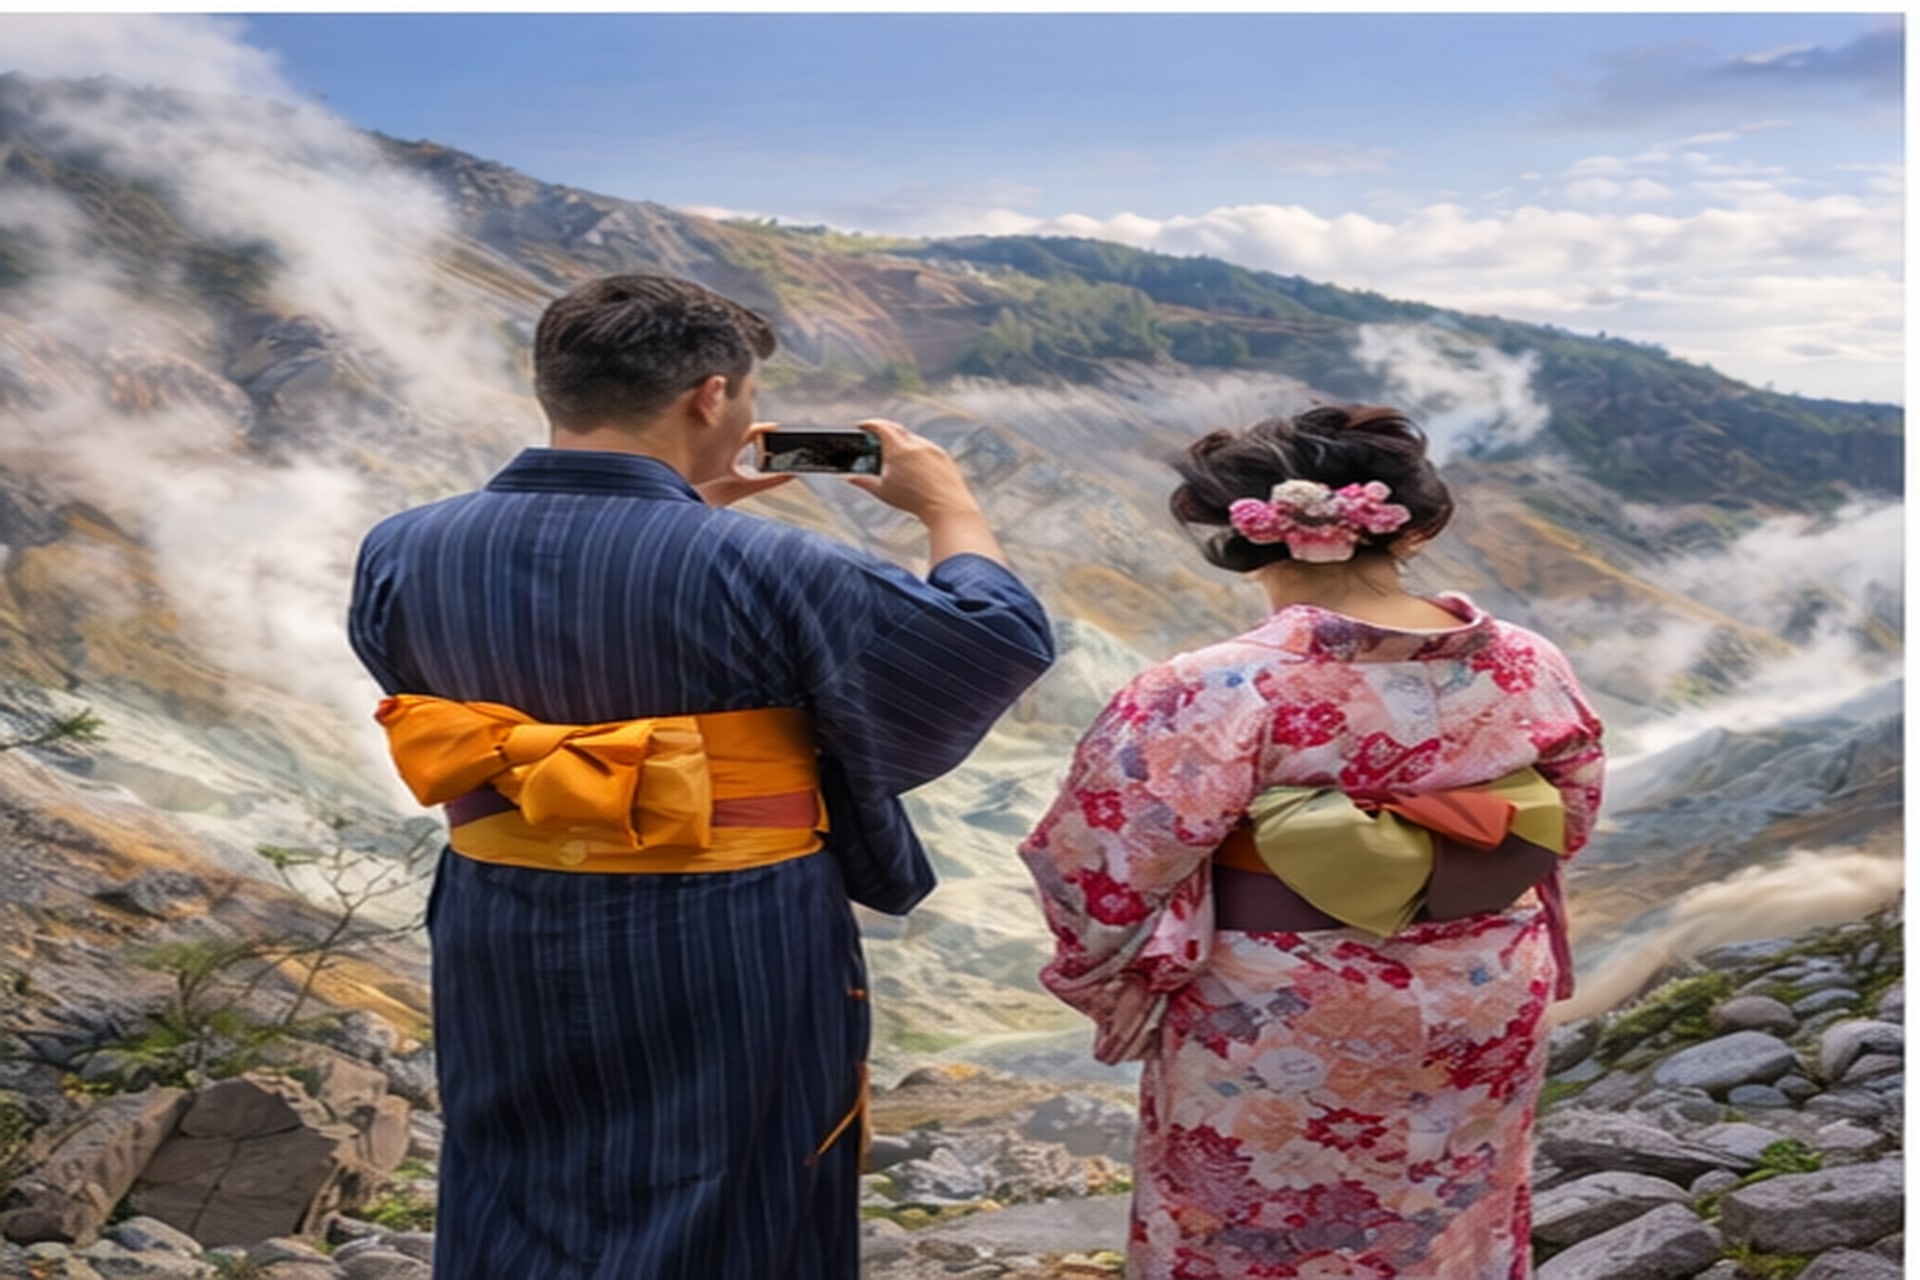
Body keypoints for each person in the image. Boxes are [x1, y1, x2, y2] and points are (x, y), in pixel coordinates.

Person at [347, 273, 1054, 1279]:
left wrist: (687, 516)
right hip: (726, 917)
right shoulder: (767, 562)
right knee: (733, 1179)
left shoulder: (404, 547)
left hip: (502, 909)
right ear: (711, 396)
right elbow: (991, 642)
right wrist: (951, 509)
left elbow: (439, 696)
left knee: (515, 1163)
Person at [1019, 404, 1604, 1279]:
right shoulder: (1527, 661)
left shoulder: (1209, 686)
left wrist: (1123, 977)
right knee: (1450, 1206)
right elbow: (1571, 814)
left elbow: (1098, 870)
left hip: (1284, 1002)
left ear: (1238, 538)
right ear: (1421, 526)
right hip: (1486, 978)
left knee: (1257, 1222)